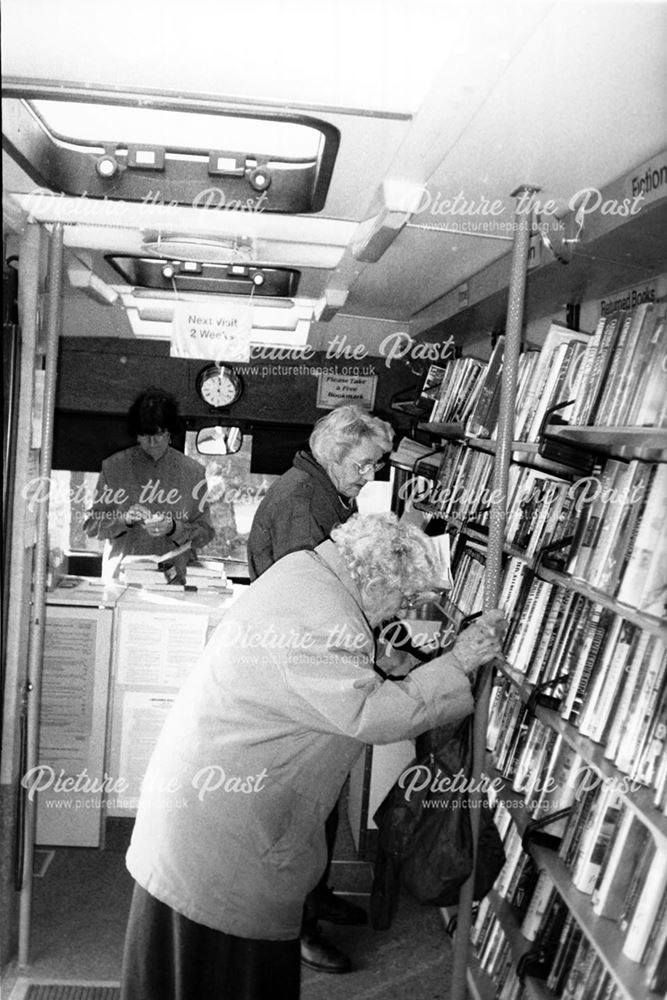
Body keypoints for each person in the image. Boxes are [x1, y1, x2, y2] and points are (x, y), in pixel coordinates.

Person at [120, 512, 506, 1000]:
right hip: (226, 839)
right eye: (403, 599)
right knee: (225, 974)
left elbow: (319, 670)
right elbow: (369, 714)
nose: (399, 612)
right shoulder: (323, 613)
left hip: (205, 813)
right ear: (378, 578)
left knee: (189, 971)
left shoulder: (310, 572)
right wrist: (458, 663)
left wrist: (382, 660)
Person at [246, 403, 393, 973]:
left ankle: (316, 893)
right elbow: (309, 606)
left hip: (307, 665)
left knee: (321, 799)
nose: (372, 473)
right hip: (299, 674)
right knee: (304, 805)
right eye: (367, 462)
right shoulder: (304, 502)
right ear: (336, 451)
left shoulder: (320, 490)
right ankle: (298, 925)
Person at [83, 387, 214, 582]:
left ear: (170, 433)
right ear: (136, 434)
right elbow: (92, 526)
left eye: (158, 434)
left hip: (175, 581)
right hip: (122, 582)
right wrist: (124, 520)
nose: (152, 442)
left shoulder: (194, 473)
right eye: (145, 435)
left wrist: (173, 528)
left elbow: (206, 534)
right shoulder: (113, 467)